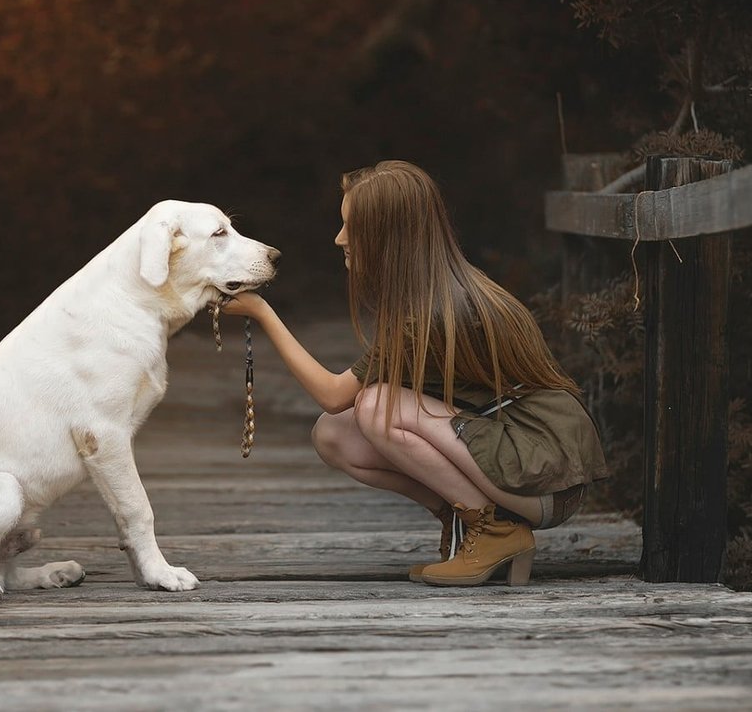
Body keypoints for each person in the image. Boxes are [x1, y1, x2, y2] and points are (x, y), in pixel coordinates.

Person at [220, 160, 609, 586]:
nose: (339, 238)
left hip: (547, 478)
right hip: (522, 460)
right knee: (333, 434)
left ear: (388, 236)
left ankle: (494, 531)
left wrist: (262, 312)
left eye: (352, 227)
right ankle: (467, 521)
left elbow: (333, 394)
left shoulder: (433, 313)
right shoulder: (430, 294)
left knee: (375, 407)